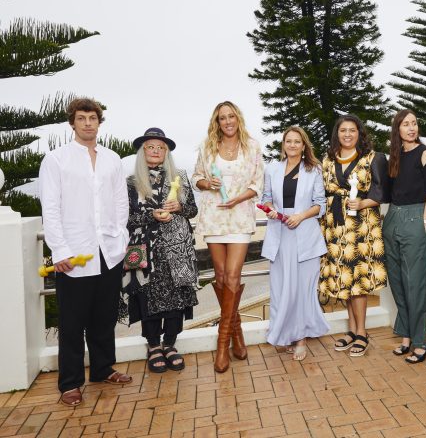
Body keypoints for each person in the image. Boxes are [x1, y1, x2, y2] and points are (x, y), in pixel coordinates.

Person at [39, 98, 132, 407]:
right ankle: (70, 383)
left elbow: (121, 203)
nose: (88, 123)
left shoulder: (112, 159)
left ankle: (103, 369)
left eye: (93, 118)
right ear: (73, 123)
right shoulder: (56, 159)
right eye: (82, 118)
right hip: (74, 254)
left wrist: (120, 238)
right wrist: (60, 250)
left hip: (109, 251)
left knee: (104, 317)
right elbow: (50, 209)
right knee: (72, 321)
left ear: (99, 122)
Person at [192, 101, 264, 373]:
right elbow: (197, 176)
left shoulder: (252, 147)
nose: (228, 121)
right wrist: (206, 183)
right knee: (220, 278)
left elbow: (257, 183)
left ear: (238, 118)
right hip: (213, 217)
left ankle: (222, 346)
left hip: (239, 217)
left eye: (231, 116)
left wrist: (237, 199)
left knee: (233, 277)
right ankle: (237, 334)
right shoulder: (207, 146)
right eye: (222, 118)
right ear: (217, 122)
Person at [123, 128, 198, 373]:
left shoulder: (182, 177)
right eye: (150, 147)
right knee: (149, 297)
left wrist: (180, 206)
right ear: (142, 152)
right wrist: (150, 214)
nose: (155, 151)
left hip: (177, 249)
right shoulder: (131, 183)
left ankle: (170, 344)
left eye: (160, 147)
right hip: (146, 249)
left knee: (176, 297)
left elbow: (193, 211)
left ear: (166, 152)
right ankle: (153, 345)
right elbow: (125, 218)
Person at [319, 114, 389, 357]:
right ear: (336, 134)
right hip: (336, 228)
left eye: (352, 130)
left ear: (359, 133)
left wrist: (361, 203)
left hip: (361, 228)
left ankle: (362, 332)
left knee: (358, 282)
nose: (347, 134)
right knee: (344, 281)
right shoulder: (326, 160)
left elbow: (381, 192)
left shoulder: (373, 158)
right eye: (342, 130)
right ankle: (351, 329)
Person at [261, 127, 330, 360]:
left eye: (296, 141)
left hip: (305, 235)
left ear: (303, 145)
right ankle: (287, 335)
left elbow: (321, 204)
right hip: (280, 235)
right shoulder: (272, 168)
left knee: (302, 289)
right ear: (283, 145)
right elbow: (266, 198)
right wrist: (270, 210)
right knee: (282, 289)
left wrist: (300, 216)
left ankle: (301, 339)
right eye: (288, 141)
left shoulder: (314, 170)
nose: (292, 145)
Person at [383, 109, 426, 363]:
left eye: (414, 123)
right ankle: (406, 334)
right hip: (392, 219)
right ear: (397, 129)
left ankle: (422, 339)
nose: (411, 128)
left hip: (416, 218)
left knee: (415, 283)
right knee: (397, 281)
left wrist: (424, 222)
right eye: (406, 124)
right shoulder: (393, 158)